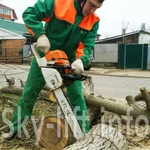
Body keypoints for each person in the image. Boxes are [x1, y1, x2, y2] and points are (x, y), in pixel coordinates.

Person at [5, 0, 104, 140]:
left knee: (77, 96)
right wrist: (40, 34)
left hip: (69, 62)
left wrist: (81, 59)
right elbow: (29, 14)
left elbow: (87, 45)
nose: (92, 10)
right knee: (29, 94)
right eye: (91, 5)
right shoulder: (59, 3)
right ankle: (15, 129)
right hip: (45, 57)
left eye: (97, 7)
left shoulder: (93, 21)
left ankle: (85, 135)